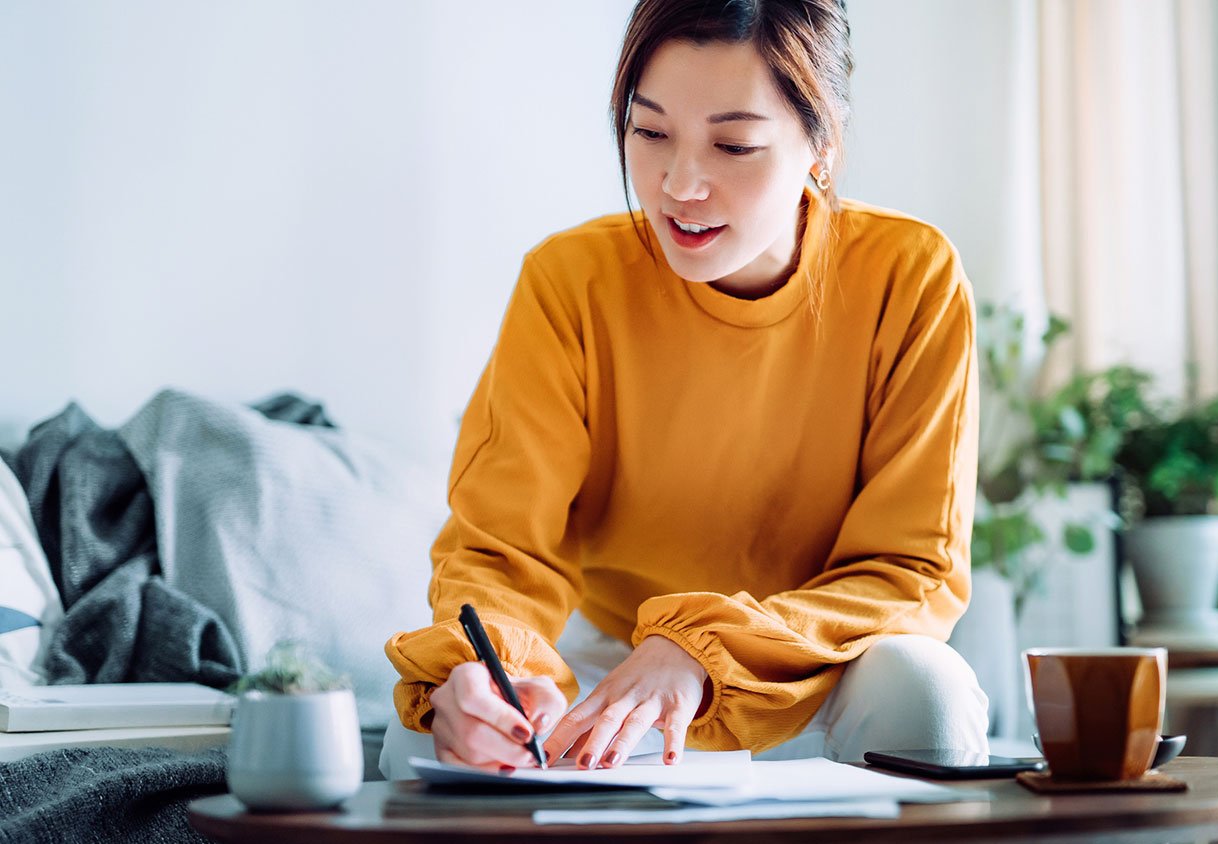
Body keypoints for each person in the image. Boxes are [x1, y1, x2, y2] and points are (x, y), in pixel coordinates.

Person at [381, 0, 989, 778]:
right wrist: (493, 669)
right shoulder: (570, 282)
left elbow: (911, 571)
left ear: (822, 145)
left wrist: (703, 648)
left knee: (926, 692)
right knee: (426, 735)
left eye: (734, 144)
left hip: (816, 668)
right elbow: (500, 550)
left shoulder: (911, 276)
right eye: (651, 132)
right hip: (614, 670)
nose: (680, 184)